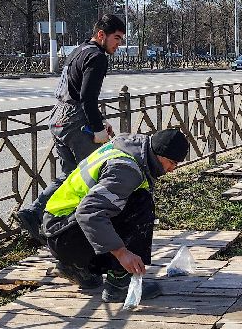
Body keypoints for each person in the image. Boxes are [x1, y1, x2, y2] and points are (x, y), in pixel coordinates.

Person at [16, 13, 126, 244]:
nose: (119, 44)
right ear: (101, 35)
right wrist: (98, 130)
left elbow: (77, 91)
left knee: (71, 175)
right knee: (94, 174)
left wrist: (100, 121)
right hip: (76, 122)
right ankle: (80, 231)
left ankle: (36, 214)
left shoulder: (80, 50)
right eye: (116, 38)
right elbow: (86, 97)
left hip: (57, 117)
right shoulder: (98, 57)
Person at [43, 128, 189, 300]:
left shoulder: (131, 147)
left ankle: (78, 267)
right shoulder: (126, 170)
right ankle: (120, 283)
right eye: (171, 162)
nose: (172, 169)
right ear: (158, 153)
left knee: (125, 201)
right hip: (65, 233)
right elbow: (88, 212)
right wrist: (121, 253)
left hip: (59, 228)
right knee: (140, 202)